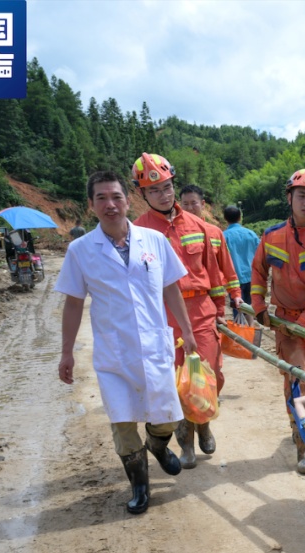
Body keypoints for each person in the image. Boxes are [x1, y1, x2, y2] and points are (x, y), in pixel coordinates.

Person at [55, 170, 198, 514]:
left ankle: (159, 445)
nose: (110, 204)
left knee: (165, 416)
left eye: (116, 197)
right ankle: (139, 487)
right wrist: (66, 352)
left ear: (127, 200)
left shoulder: (154, 241)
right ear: (91, 205)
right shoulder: (81, 250)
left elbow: (170, 288)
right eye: (101, 198)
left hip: (154, 346)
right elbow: (73, 301)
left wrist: (188, 332)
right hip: (114, 353)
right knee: (122, 424)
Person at [132, 154, 241, 469]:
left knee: (211, 377)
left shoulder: (199, 227)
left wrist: (220, 308)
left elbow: (214, 273)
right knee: (175, 383)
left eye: (167, 187)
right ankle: (186, 441)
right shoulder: (137, 232)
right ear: (143, 195)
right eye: (155, 191)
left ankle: (203, 423)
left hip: (202, 312)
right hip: (163, 318)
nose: (163, 195)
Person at [251, 167, 305, 476]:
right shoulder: (271, 236)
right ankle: (304, 442)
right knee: (297, 379)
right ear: (289, 198)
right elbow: (258, 273)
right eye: (301, 195)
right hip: (287, 326)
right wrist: (260, 306)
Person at [179, 183, 244, 327]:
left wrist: (236, 294)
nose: (189, 208)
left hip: (213, 302)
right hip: (180, 304)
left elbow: (227, 267)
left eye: (193, 203)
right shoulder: (175, 232)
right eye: (185, 204)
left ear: (203, 204)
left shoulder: (215, 232)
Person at [222, 205, 260, 305]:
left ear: (225, 218)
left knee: (237, 306)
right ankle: (251, 322)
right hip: (252, 276)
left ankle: (240, 321)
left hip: (234, 278)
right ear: (240, 217)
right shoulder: (251, 234)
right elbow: (261, 253)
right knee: (249, 305)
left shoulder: (223, 236)